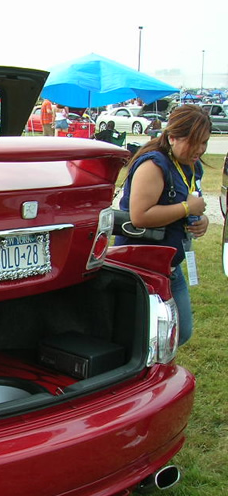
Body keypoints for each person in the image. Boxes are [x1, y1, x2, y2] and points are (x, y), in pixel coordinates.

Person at [113, 104, 211, 346]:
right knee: (143, 337)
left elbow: (190, 200)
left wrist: (202, 220)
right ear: (172, 137)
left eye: (205, 142)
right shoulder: (153, 164)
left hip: (169, 266)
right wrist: (187, 209)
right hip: (141, 267)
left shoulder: (191, 164)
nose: (200, 149)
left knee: (179, 332)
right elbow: (140, 216)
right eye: (194, 142)